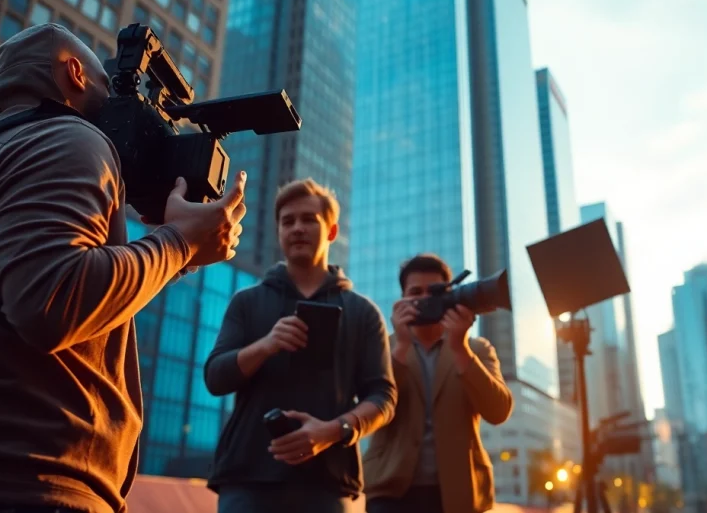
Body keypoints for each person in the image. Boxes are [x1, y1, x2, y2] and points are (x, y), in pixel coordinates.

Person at [0, 23, 247, 513]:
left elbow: (45, 292)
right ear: (73, 72)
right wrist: (179, 242)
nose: (122, 102)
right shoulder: (69, 138)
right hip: (30, 481)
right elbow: (52, 302)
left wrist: (179, 255)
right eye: (107, 82)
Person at [203, 178, 397, 513]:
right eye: (288, 221)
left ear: (332, 231)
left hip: (329, 482)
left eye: (309, 219)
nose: (297, 228)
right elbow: (215, 377)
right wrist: (265, 345)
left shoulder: (364, 312)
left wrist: (334, 431)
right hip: (247, 481)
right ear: (278, 233)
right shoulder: (246, 302)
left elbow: (383, 397)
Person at [363, 254, 514, 513]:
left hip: (460, 494)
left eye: (433, 291)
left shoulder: (477, 349)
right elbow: (370, 406)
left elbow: (498, 412)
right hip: (390, 492)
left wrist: (460, 349)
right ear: (401, 299)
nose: (424, 299)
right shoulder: (383, 347)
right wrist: (401, 347)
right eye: (415, 292)